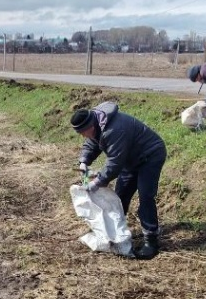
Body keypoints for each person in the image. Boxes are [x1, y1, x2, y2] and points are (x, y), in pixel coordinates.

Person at [71, 102, 167, 260]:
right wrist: (84, 161)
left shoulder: (115, 129)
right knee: (120, 197)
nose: (83, 136)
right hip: (130, 160)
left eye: (83, 132)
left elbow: (115, 163)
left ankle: (151, 241)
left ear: (91, 125)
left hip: (150, 155)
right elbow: (91, 142)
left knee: (145, 196)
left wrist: (97, 183)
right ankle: (113, 233)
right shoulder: (95, 125)